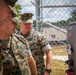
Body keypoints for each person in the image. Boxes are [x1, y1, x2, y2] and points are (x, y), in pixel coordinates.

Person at [0, 0, 37, 75]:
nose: (16, 26)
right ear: (3, 21)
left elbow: (30, 61)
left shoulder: (21, 40)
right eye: (13, 22)